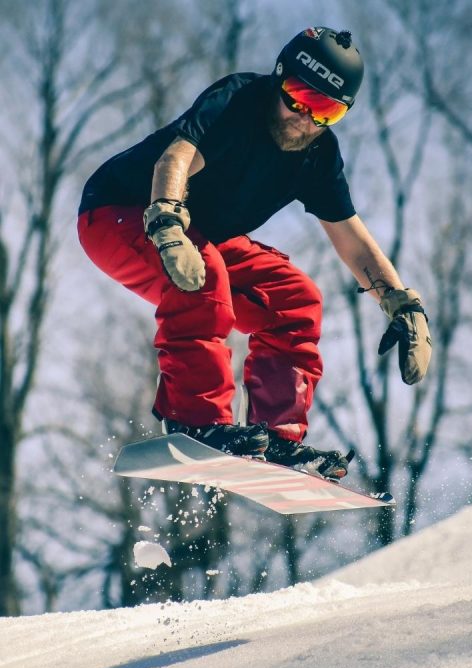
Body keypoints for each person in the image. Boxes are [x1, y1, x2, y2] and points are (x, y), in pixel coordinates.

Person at [78, 26, 431, 481]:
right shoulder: (238, 103)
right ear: (278, 79)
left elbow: (351, 238)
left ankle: (279, 437)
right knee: (205, 276)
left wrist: (402, 303)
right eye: (299, 96)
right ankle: (196, 422)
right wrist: (166, 223)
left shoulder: (317, 154)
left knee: (294, 298)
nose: (304, 117)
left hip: (202, 231)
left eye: (324, 109)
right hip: (121, 211)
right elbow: (177, 159)